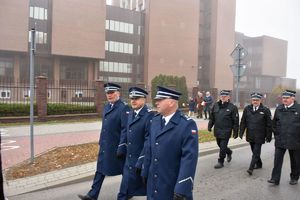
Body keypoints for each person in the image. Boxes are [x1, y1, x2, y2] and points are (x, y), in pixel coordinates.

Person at [141, 86, 199, 200]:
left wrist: (182, 187)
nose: (156, 102)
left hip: (173, 186)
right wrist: (145, 169)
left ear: (171, 102)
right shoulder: (155, 120)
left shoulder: (187, 125)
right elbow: (149, 148)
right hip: (153, 184)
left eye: (160, 99)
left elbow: (189, 158)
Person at [78, 83, 130, 200]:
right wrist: (101, 141)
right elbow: (105, 127)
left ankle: (127, 193)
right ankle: (92, 195)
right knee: (100, 170)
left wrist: (122, 146)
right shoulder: (107, 106)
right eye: (107, 93)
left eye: (112, 92)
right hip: (106, 145)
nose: (109, 95)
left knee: (125, 171)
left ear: (118, 93)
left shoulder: (123, 107)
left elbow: (125, 129)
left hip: (117, 147)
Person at [117, 87, 154, 200]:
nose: (133, 100)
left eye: (136, 98)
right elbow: (126, 132)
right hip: (129, 160)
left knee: (150, 190)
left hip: (142, 161)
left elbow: (149, 140)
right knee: (124, 190)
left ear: (144, 99)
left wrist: (141, 159)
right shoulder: (130, 113)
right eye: (132, 98)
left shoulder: (149, 116)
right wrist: (121, 146)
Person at [268, 89, 300, 186]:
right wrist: (277, 134)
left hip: (295, 140)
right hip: (281, 139)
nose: (284, 100)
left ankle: (294, 177)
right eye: (283, 98)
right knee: (277, 160)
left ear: (293, 98)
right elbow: (273, 124)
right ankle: (275, 179)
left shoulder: (298, 109)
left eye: (287, 98)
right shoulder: (279, 109)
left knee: (295, 161)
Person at [239, 92, 272, 176]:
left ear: (260, 100)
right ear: (251, 100)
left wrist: (269, 136)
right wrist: (241, 132)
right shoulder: (247, 109)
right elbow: (243, 121)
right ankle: (259, 164)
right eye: (253, 100)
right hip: (250, 134)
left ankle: (251, 168)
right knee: (254, 150)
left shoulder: (265, 110)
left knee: (256, 151)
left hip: (260, 135)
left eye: (257, 100)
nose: (255, 102)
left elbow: (269, 124)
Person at [208, 90, 239, 169]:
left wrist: (235, 131)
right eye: (222, 96)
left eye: (225, 96)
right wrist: (210, 126)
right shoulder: (216, 105)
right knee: (219, 144)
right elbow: (212, 117)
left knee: (222, 146)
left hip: (226, 130)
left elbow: (235, 121)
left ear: (228, 97)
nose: (223, 97)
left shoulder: (232, 107)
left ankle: (220, 161)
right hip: (217, 129)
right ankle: (229, 152)